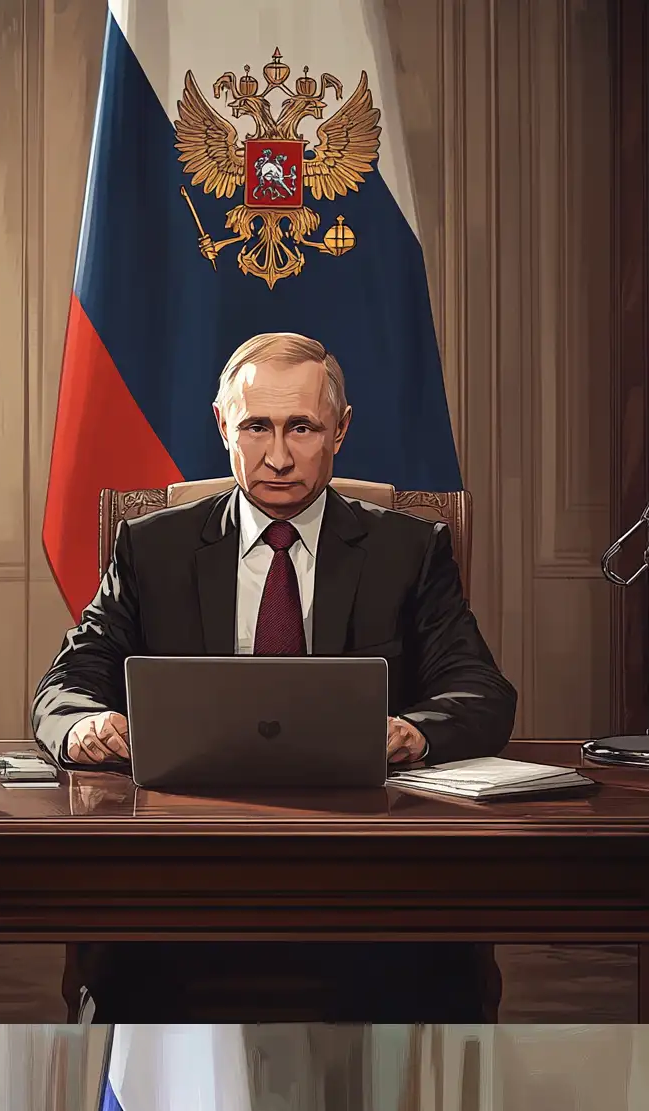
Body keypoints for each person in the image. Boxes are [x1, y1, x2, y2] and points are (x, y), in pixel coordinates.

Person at [34, 331, 516, 1022]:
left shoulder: (408, 549)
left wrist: (414, 733)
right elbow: (66, 682)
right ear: (222, 424)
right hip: (187, 867)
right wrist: (85, 725)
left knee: (431, 973)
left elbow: (481, 693)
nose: (280, 456)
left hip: (363, 869)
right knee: (129, 970)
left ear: (341, 432)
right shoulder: (152, 546)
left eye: (303, 428)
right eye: (256, 426)